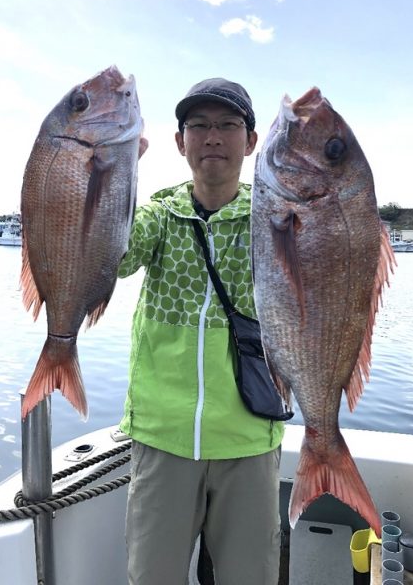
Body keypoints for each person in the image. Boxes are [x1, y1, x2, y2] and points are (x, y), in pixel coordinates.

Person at [118, 77, 284, 585]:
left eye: (228, 125)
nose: (213, 136)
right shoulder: (159, 216)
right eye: (199, 125)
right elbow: (117, 258)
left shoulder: (276, 219)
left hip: (250, 437)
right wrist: (117, 169)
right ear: (179, 141)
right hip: (162, 437)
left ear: (251, 141)